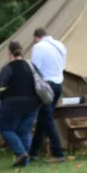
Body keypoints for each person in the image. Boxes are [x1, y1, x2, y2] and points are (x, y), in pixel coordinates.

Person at [0, 41, 41, 167]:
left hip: (12, 102)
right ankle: (25, 161)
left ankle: (21, 153)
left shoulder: (8, 68)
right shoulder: (31, 66)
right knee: (24, 131)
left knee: (5, 128)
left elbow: (0, 86)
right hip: (33, 102)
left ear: (9, 53)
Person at [29, 27, 66, 163]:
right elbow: (62, 66)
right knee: (44, 118)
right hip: (58, 83)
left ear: (37, 37)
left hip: (46, 86)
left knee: (48, 118)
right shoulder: (60, 45)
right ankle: (33, 152)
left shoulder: (38, 47)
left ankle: (58, 153)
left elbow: (35, 69)